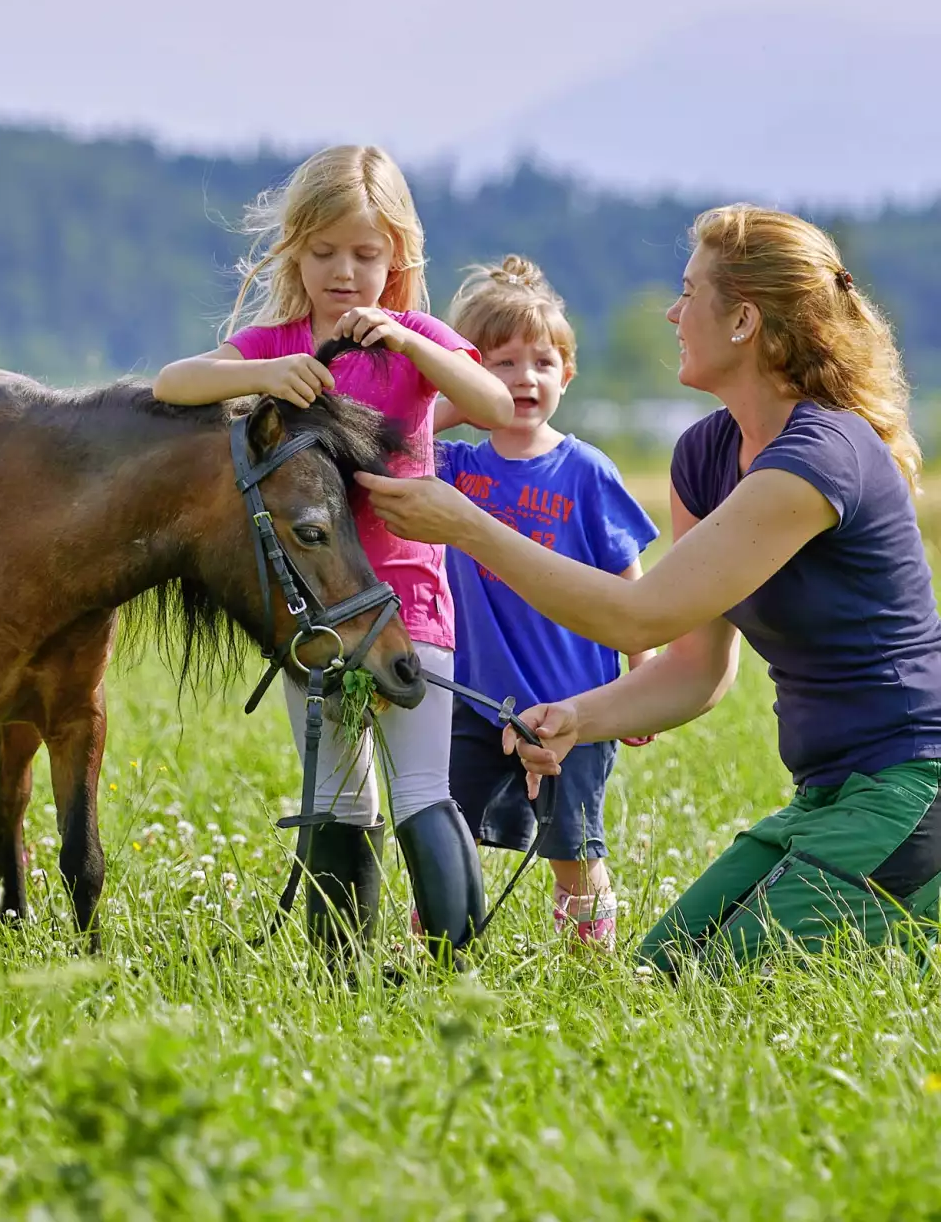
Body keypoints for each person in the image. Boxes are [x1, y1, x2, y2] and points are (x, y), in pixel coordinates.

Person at [355, 205, 941, 971]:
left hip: (911, 791)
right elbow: (697, 668)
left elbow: (639, 618)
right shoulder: (704, 455)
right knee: (658, 972)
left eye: (689, 292)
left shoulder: (820, 456)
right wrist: (578, 717)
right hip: (822, 799)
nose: (672, 312)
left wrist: (466, 525)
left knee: (720, 987)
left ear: (743, 321)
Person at [154, 144, 513, 957]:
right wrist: (264, 373)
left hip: (409, 602)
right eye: (322, 252)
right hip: (314, 611)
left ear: (397, 258)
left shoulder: (414, 337)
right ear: (295, 252)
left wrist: (411, 346)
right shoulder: (277, 343)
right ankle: (339, 971)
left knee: (421, 788)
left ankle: (455, 966)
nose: (343, 271)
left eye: (364, 253)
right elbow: (171, 384)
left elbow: (494, 403)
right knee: (338, 797)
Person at [434, 255, 658, 948]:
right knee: (447, 834)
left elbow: (631, 584)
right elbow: (396, 440)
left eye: (542, 362)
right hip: (476, 699)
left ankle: (590, 968)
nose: (523, 379)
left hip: (575, 703)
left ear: (568, 374)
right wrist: (456, 398)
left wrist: (642, 680)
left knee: (573, 849)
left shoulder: (586, 471)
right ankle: (438, 953)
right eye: (500, 364)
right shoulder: (453, 469)